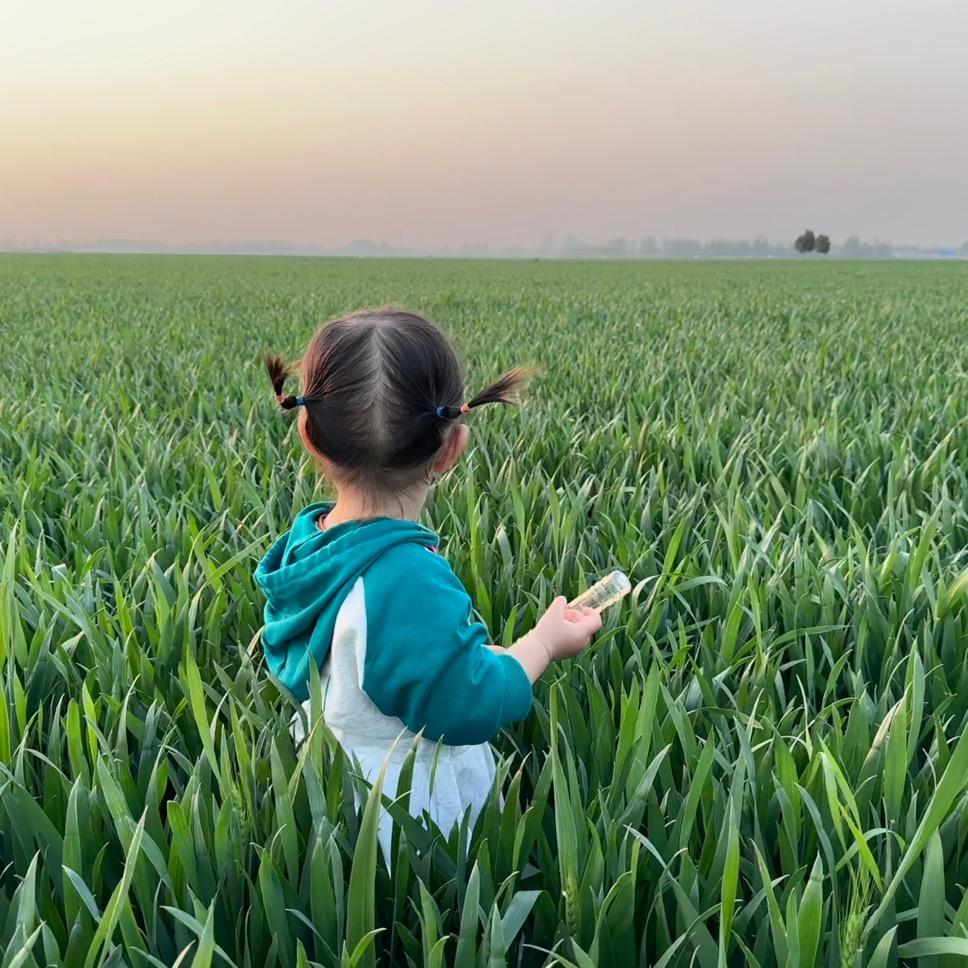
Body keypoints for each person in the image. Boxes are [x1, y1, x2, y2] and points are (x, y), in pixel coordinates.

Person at [254, 308, 601, 856]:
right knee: (437, 909)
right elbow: (468, 705)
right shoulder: (405, 578)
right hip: (408, 818)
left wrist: (468, 656)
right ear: (451, 448)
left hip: (327, 790)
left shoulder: (305, 550)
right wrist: (542, 644)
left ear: (309, 435)